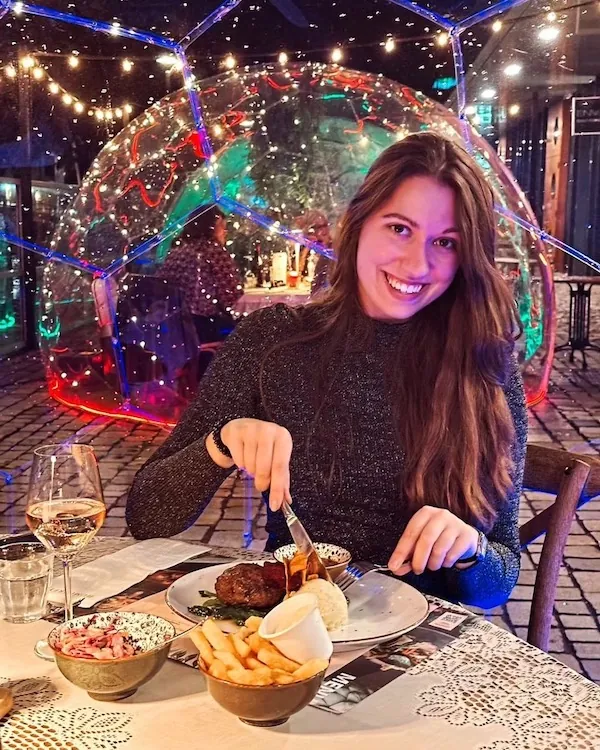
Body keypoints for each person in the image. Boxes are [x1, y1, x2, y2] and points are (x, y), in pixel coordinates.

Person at [127, 132, 527, 609]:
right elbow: (146, 516)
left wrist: (470, 549)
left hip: (426, 643)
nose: (417, 262)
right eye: (399, 228)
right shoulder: (272, 341)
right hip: (293, 629)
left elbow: (500, 581)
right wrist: (220, 442)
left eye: (445, 242)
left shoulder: (482, 363)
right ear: (358, 225)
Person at [158, 206, 243, 343]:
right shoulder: (212, 250)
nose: (225, 232)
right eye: (221, 226)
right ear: (209, 228)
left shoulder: (178, 248)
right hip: (204, 327)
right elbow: (231, 295)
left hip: (172, 327)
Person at [294, 210, 334, 293]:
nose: (324, 230)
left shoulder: (331, 251)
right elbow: (296, 271)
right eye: (318, 227)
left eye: (325, 225)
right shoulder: (305, 248)